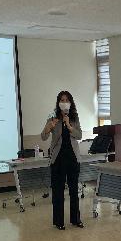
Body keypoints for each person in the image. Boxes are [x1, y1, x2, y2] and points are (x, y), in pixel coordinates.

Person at [41, 90, 84, 230]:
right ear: (58, 102)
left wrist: (69, 126)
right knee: (58, 191)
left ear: (70, 102)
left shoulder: (74, 117)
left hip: (72, 157)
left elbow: (79, 136)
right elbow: (43, 137)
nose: (64, 102)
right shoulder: (53, 116)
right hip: (58, 158)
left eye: (66, 100)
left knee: (74, 190)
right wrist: (49, 127)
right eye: (62, 100)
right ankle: (59, 222)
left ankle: (75, 219)